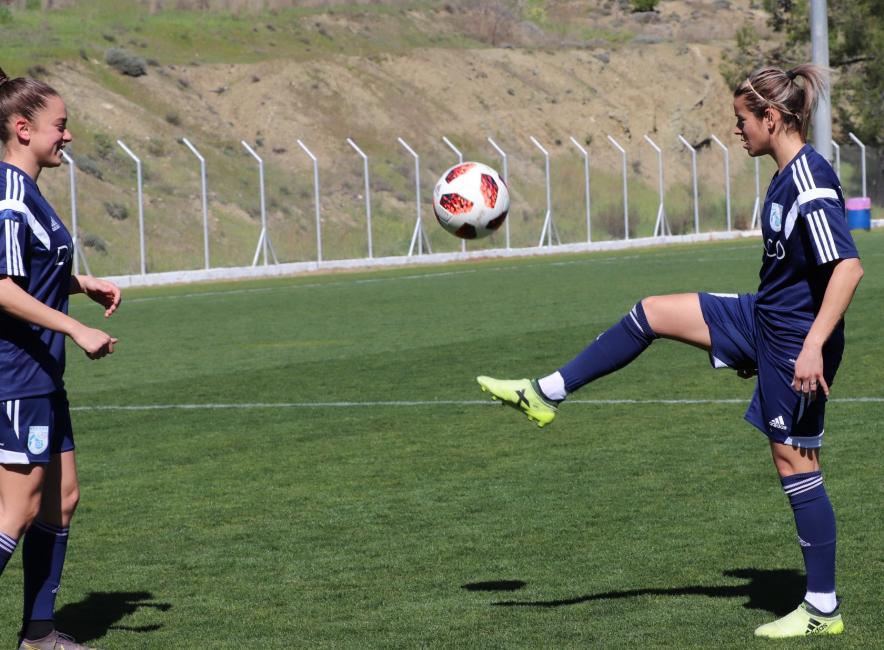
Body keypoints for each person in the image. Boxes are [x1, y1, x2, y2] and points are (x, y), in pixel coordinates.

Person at [477, 64, 863, 639]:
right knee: (651, 312)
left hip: (796, 341)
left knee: (796, 464)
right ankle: (546, 392)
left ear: (771, 117)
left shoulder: (809, 181)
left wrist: (809, 348)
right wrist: (753, 343)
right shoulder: (784, 176)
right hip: (765, 321)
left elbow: (848, 268)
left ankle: (822, 609)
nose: (736, 130)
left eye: (742, 119)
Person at [0, 68, 121, 650]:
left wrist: (80, 283)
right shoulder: (8, 196)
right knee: (16, 512)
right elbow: (1, 287)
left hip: (43, 376)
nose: (68, 136)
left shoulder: (30, 193)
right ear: (23, 129)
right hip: (15, 377)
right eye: (61, 125)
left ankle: (40, 635)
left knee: (61, 498)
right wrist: (76, 327)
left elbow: (30, 269)